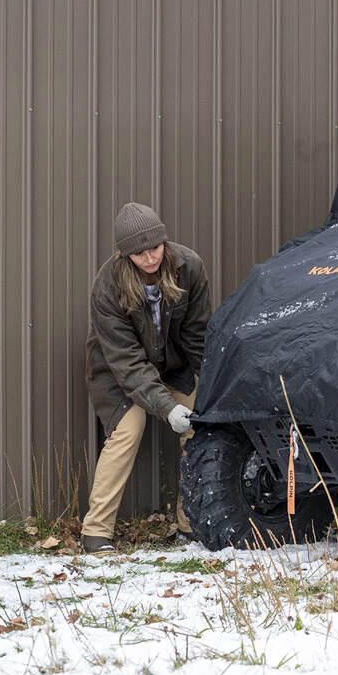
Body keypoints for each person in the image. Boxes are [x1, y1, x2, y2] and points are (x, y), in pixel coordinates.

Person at [81, 203, 211, 553]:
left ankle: (191, 524)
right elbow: (128, 361)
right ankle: (95, 534)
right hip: (118, 371)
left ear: (164, 241)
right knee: (128, 430)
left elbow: (198, 336)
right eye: (139, 253)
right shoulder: (107, 286)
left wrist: (212, 385)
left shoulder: (189, 267)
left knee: (200, 425)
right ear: (126, 255)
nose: (150, 258)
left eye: (154, 247)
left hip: (175, 366)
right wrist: (166, 409)